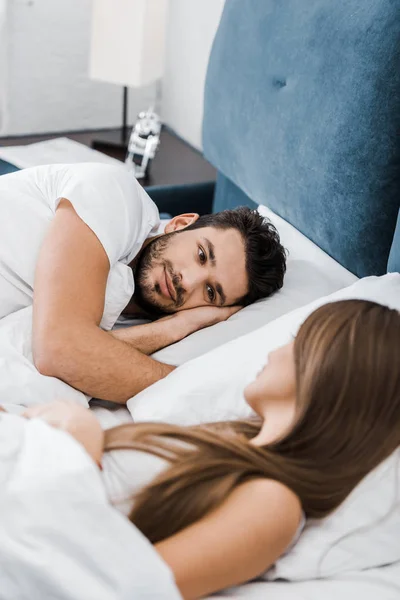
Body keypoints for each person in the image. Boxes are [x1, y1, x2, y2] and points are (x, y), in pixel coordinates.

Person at [22, 299, 400, 599]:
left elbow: (119, 588)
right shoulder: (223, 442)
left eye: (299, 339)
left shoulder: (273, 502)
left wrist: (78, 438)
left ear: (329, 371)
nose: (278, 351)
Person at [0, 163, 286, 402]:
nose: (187, 281)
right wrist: (196, 385)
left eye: (210, 292)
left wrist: (173, 329)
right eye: (201, 254)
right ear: (180, 223)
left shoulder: (135, 313)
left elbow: (66, 350)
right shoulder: (115, 195)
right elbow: (59, 349)